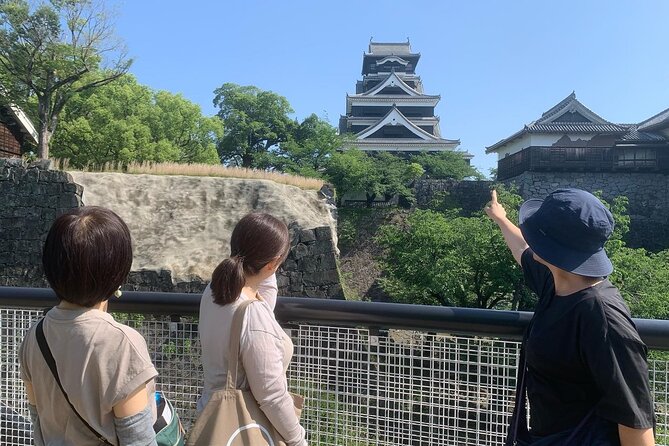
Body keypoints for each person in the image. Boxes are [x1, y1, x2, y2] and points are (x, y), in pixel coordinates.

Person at [485, 188, 655, 446]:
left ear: (552, 246)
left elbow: (634, 420)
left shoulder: (602, 317)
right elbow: (522, 248)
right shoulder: (558, 281)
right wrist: (500, 218)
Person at [19, 206, 159, 446]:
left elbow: (38, 422)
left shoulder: (34, 336)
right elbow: (138, 440)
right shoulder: (122, 343)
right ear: (116, 272)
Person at [197, 213, 308, 446]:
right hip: (244, 429)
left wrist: (270, 256)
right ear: (271, 264)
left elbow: (264, 300)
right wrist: (298, 440)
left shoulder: (216, 291)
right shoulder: (252, 314)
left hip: (213, 419)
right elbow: (272, 396)